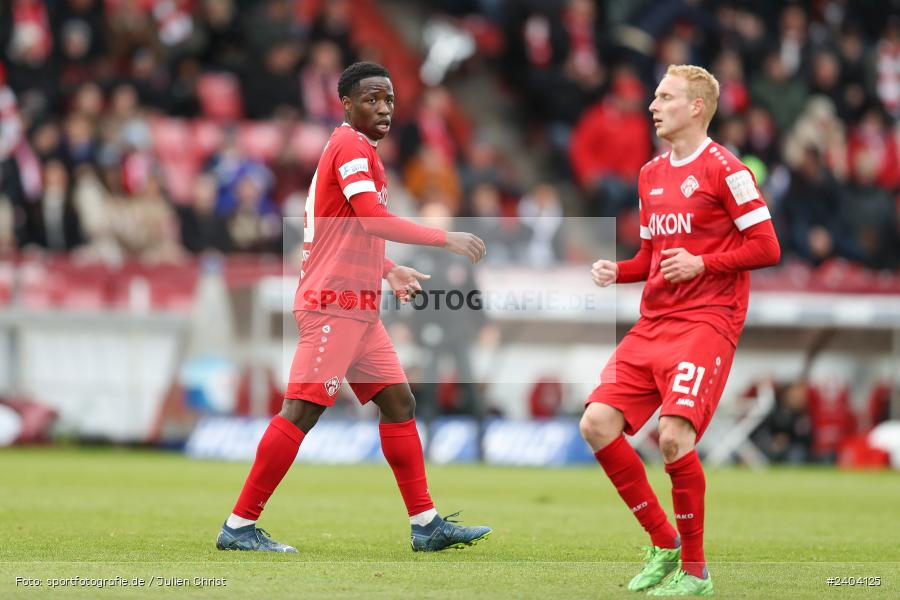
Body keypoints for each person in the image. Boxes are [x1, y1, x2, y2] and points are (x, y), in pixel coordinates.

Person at [216, 62, 491, 554]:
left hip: (359, 308)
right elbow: (370, 216)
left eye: (388, 99)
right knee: (300, 411)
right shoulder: (349, 145)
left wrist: (387, 269)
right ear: (346, 104)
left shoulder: (360, 152)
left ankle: (425, 524)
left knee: (399, 403)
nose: (383, 108)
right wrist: (442, 238)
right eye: (371, 99)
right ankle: (238, 526)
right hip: (333, 305)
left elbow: (345, 228)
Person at [580, 64, 781, 596]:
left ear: (696, 107)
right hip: (654, 321)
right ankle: (663, 543)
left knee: (673, 437)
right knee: (596, 423)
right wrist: (616, 271)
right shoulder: (649, 174)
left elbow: (767, 247)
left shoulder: (728, 170)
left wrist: (703, 264)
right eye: (654, 95)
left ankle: (696, 571)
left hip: (707, 321)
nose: (652, 105)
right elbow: (653, 256)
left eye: (665, 97)